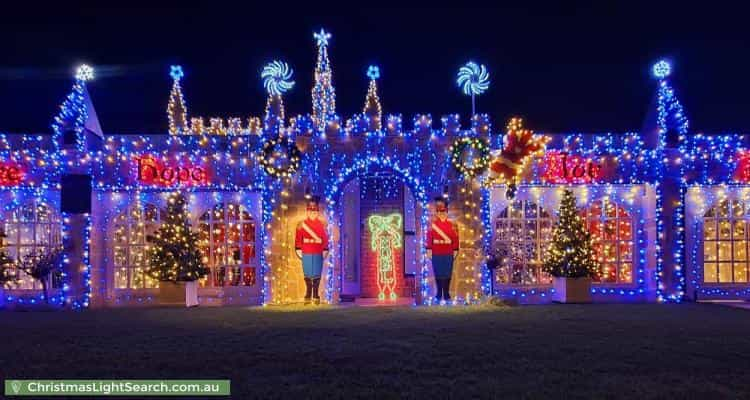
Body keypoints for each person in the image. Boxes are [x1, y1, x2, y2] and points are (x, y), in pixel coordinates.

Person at [295, 197, 328, 304]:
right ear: (307, 211)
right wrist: (298, 248)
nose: (313, 211)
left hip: (318, 251)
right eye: (311, 209)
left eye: (315, 209)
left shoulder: (322, 224)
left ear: (317, 211)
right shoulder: (301, 225)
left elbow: (325, 238)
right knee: (308, 274)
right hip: (307, 251)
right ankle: (308, 294)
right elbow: (298, 238)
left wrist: (325, 248)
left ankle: (316, 294)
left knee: (317, 274)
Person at [426, 197, 459, 303]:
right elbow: (429, 237)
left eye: (443, 211)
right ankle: (439, 292)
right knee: (438, 272)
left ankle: (446, 292)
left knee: (447, 272)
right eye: (439, 211)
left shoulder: (453, 225)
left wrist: (455, 249)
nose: (441, 213)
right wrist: (429, 249)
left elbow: (455, 237)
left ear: (447, 211)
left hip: (448, 251)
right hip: (436, 251)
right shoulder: (432, 225)